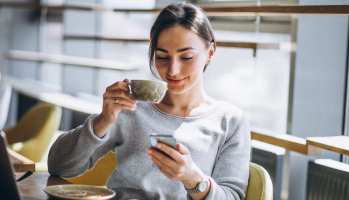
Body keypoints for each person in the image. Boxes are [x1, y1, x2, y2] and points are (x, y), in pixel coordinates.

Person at [48, 2, 251, 200]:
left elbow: (232, 196)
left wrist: (192, 178)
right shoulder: (131, 108)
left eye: (186, 57)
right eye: (162, 57)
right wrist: (103, 120)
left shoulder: (230, 121)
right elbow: (58, 166)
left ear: (210, 53)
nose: (173, 70)